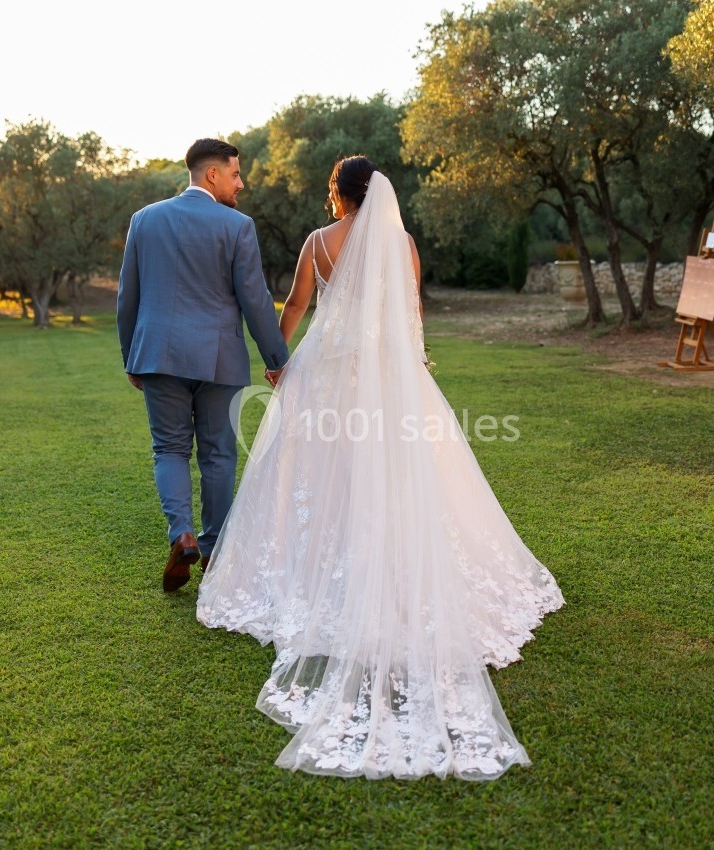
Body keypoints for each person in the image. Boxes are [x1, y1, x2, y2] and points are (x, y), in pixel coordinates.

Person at [197, 156, 563, 780]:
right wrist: (413, 366)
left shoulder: (319, 242)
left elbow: (295, 305)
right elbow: (411, 313)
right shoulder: (402, 242)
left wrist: (280, 360)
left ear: (337, 194)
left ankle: (322, 566)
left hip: (331, 375)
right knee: (397, 471)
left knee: (319, 473)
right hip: (390, 377)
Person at [117, 138, 289, 593]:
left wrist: (131, 357)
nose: (241, 182)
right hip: (219, 359)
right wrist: (277, 361)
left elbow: (126, 298)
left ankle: (183, 535)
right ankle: (214, 550)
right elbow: (255, 300)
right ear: (212, 174)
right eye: (236, 174)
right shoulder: (237, 225)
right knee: (218, 453)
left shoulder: (144, 220)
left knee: (169, 449)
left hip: (157, 355)